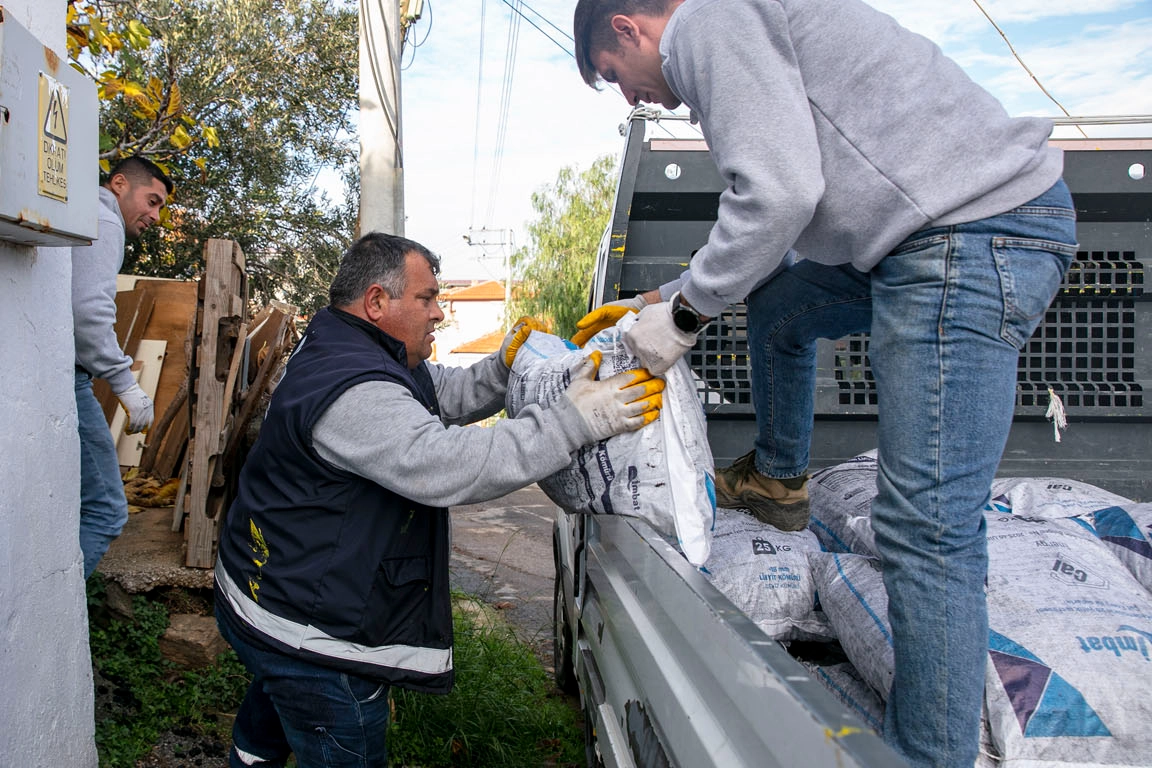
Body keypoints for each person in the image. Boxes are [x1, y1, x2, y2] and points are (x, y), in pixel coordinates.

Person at [571, 1, 1078, 765]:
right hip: (914, 242)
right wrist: (663, 295)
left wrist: (682, 317)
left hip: (970, 236)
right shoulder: (731, 32)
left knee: (926, 527)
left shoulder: (707, 23)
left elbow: (778, 197)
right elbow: (771, 231)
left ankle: (928, 756)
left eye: (615, 75)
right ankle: (779, 479)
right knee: (781, 306)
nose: (629, 95)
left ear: (627, 27)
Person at [213, 232, 664, 768]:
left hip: (270, 598)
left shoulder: (350, 346)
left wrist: (499, 369)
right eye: (427, 298)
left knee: (267, 722)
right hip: (314, 637)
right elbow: (447, 464)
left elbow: (436, 393)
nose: (439, 314)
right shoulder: (353, 389)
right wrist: (573, 421)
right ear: (377, 301)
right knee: (327, 726)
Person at [73, 155, 172, 579]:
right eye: (151, 201)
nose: (155, 216)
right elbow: (88, 312)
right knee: (107, 510)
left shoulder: (79, 212)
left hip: (56, 374)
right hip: (68, 380)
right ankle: (58, 606)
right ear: (119, 184)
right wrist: (124, 383)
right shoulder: (104, 220)